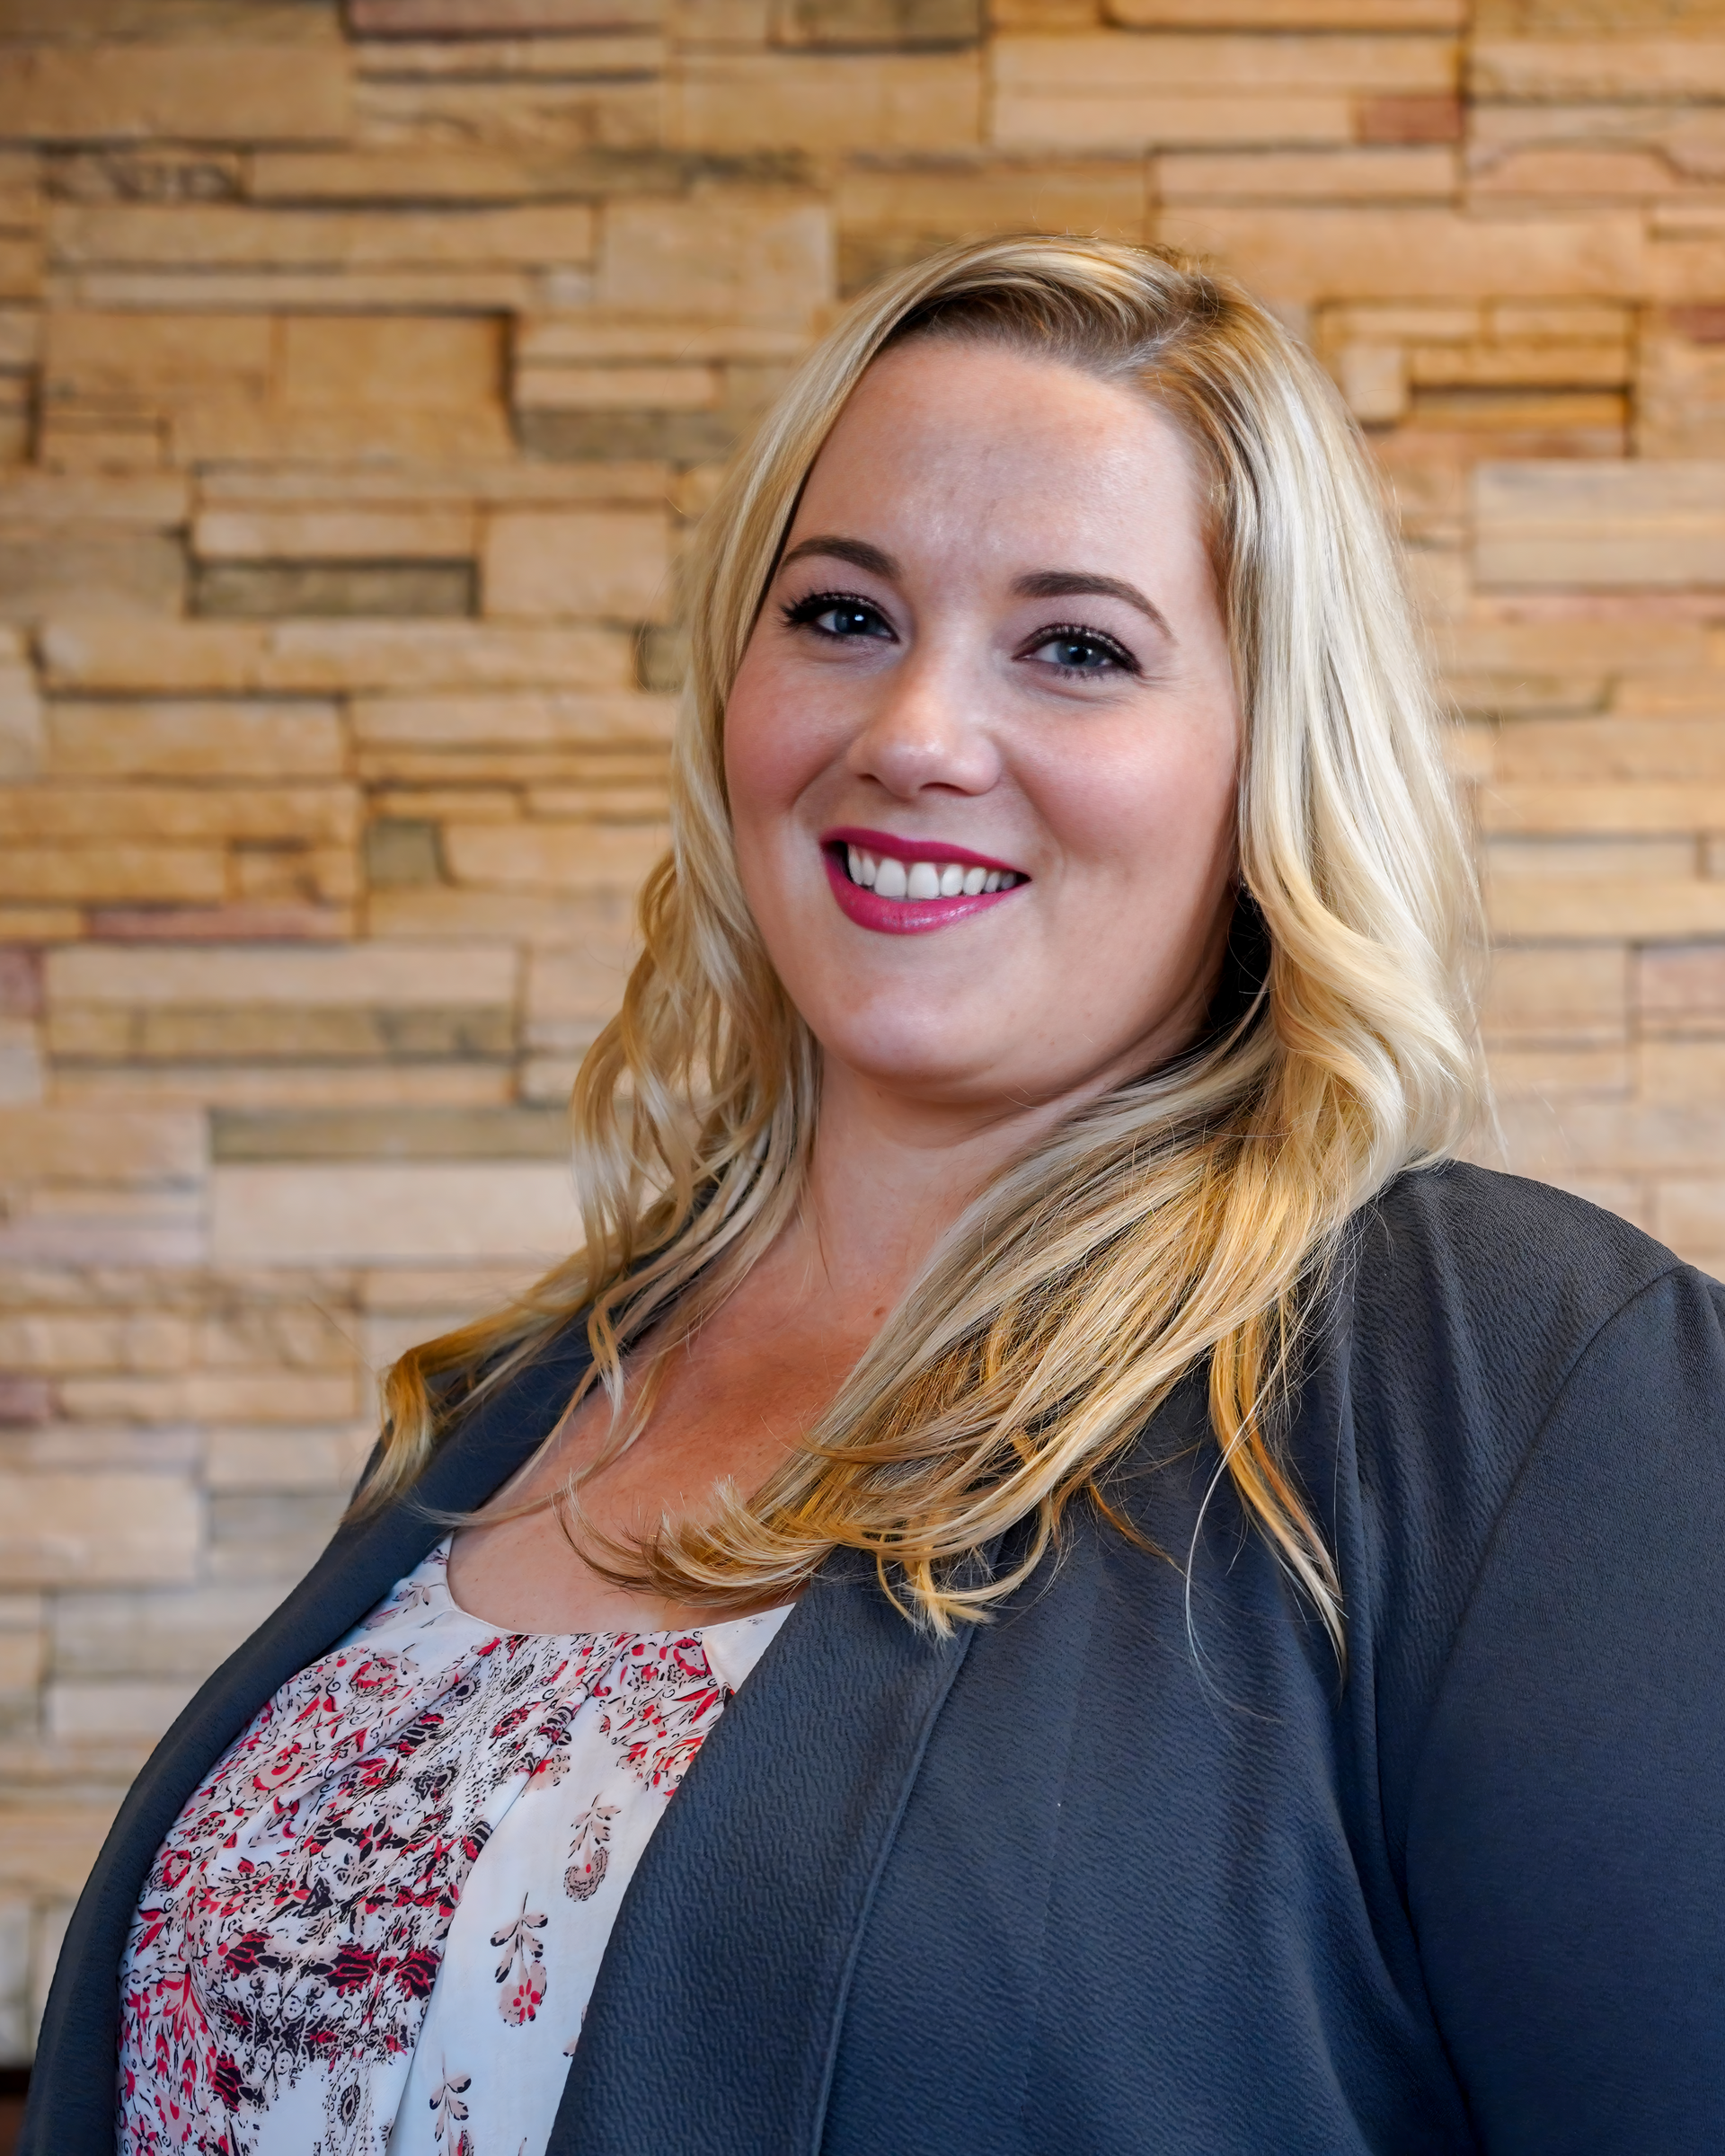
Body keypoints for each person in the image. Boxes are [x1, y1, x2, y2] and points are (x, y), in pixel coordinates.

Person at [23, 235, 1725, 2156]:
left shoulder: (1504, 1388)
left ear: (1268, 764)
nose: (912, 732)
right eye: (841, 615)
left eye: (1076, 647)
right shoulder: (532, 1388)